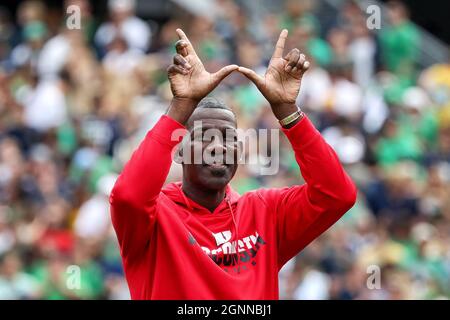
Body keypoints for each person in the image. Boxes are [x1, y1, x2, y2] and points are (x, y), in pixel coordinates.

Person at [109, 28, 357, 299]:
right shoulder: (154, 217)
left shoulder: (265, 213)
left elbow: (337, 195)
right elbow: (128, 197)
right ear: (179, 150)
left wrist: (287, 111)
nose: (218, 147)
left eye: (228, 138)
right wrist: (182, 104)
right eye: (205, 137)